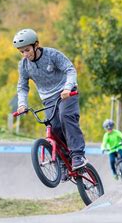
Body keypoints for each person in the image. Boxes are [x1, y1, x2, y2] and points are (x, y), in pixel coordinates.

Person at [13, 28, 88, 170]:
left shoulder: (52, 55)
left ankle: (78, 155)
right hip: (48, 99)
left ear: (36, 45)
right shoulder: (23, 65)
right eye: (21, 52)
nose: (25, 54)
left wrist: (67, 88)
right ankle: (64, 162)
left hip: (66, 92)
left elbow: (70, 69)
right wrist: (22, 104)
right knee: (53, 128)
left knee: (65, 116)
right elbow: (22, 87)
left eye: (27, 50)